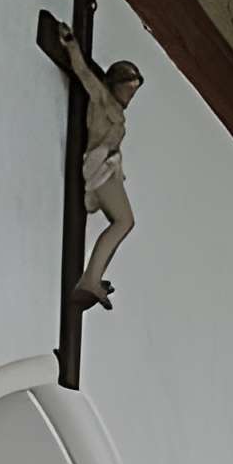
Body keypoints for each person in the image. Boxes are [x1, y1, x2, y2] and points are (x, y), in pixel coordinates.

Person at [49, 27, 145, 310]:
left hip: (109, 167)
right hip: (100, 167)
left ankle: (92, 277)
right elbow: (84, 73)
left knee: (124, 221)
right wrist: (72, 47)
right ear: (115, 84)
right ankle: (90, 278)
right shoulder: (102, 98)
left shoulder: (115, 108)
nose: (130, 96)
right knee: (124, 221)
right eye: (128, 88)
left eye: (134, 91)